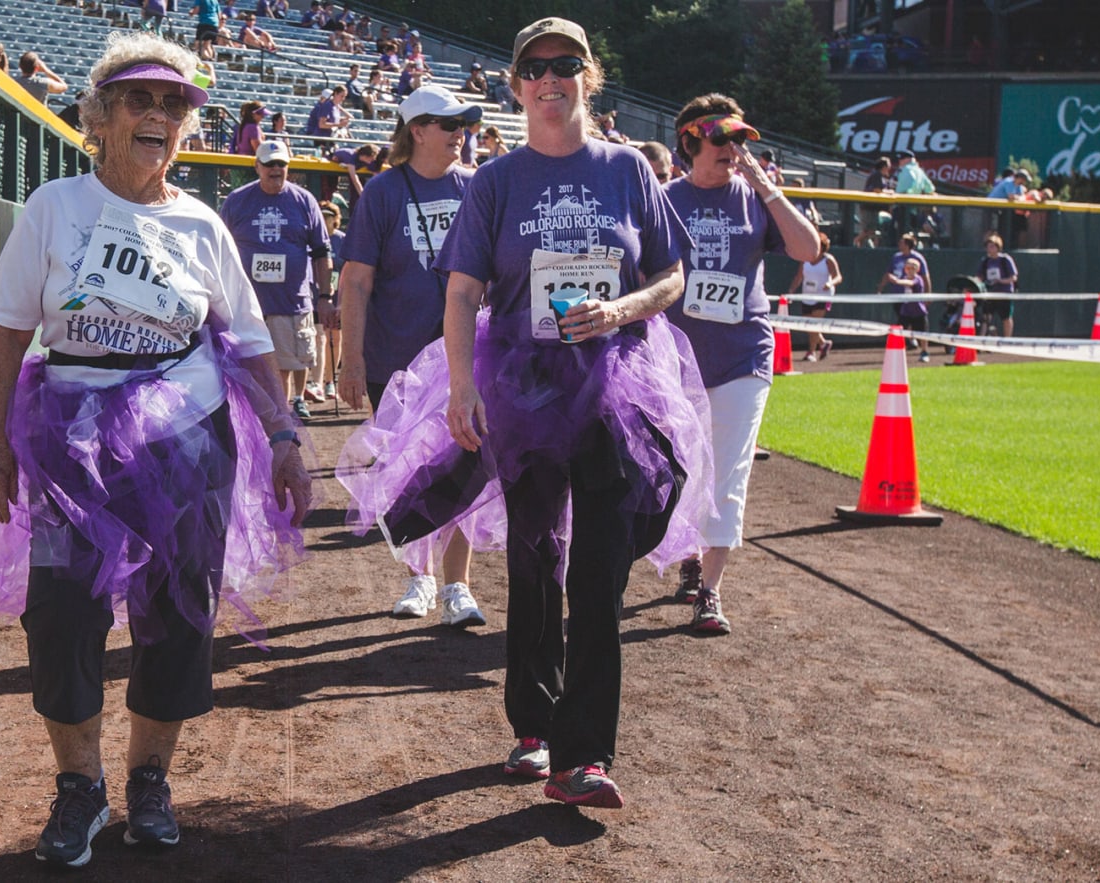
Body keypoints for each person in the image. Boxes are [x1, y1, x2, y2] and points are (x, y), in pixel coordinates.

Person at [0, 31, 312, 868]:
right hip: (72, 440)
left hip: (187, 440)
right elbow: (6, 332)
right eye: (139, 100)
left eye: (174, 103)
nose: (158, 115)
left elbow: (253, 342)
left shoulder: (202, 225)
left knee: (178, 610)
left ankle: (150, 778)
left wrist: (288, 436)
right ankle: (80, 785)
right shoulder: (55, 206)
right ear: (102, 114)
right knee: (62, 610)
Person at [338, 17, 709, 809]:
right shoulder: (497, 181)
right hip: (524, 391)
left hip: (615, 385)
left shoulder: (628, 170)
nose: (550, 78)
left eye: (565, 64)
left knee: (599, 569)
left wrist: (623, 308)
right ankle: (534, 727)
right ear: (515, 86)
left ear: (588, 76)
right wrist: (463, 385)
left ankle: (586, 753)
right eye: (534, 67)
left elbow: (673, 274)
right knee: (539, 561)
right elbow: (464, 291)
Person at [661, 95, 820, 636]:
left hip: (743, 358)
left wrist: (768, 188)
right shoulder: (663, 199)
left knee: (728, 472)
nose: (734, 150)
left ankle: (710, 590)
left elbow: (808, 250)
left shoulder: (755, 200)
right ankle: (686, 554)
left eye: (740, 140)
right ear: (689, 143)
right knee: (680, 471)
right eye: (721, 140)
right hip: (676, 362)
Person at [335, 84, 488, 629]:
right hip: (395, 360)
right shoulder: (382, 192)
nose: (459, 134)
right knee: (408, 473)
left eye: (463, 125)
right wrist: (350, 360)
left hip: (461, 358)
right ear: (417, 130)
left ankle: (458, 585)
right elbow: (355, 282)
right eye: (449, 125)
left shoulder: (477, 185)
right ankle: (419, 577)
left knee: (465, 463)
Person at [225, 140, 334, 420]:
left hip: (292, 301)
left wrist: (325, 296)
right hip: (249, 304)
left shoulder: (304, 200)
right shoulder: (237, 200)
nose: (276, 169)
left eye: (281, 164)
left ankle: (288, 409)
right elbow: (220, 249)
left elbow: (322, 251)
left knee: (290, 362)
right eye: (270, 163)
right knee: (258, 366)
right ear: (257, 166)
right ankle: (268, 417)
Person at [788, 231, 843, 360]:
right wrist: (791, 291)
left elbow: (838, 277)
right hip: (807, 295)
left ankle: (811, 352)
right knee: (809, 323)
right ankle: (823, 343)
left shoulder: (828, 260)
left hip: (823, 295)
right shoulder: (805, 259)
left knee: (814, 323)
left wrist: (830, 283)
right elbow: (799, 277)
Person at [882, 232, 932, 360]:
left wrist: (896, 281)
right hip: (906, 309)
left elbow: (909, 283)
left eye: (912, 268)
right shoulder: (898, 262)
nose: (909, 270)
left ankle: (924, 352)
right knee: (899, 331)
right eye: (907, 267)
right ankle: (897, 353)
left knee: (922, 333)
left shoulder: (918, 279)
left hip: (918, 310)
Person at [315, 200, 346, 403]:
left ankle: (330, 381)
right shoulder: (315, 239)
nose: (326, 219)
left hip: (339, 294)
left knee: (335, 337)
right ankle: (317, 382)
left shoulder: (343, 240)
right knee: (320, 337)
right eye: (322, 216)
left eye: (329, 216)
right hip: (319, 295)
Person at [978, 232, 1018, 337]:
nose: (989, 249)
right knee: (986, 317)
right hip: (990, 294)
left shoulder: (1005, 260)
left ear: (997, 247)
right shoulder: (985, 261)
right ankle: (981, 340)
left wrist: (1000, 281)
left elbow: (1013, 278)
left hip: (1004, 294)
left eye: (991, 246)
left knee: (1006, 318)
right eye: (988, 247)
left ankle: (1007, 341)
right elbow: (980, 277)